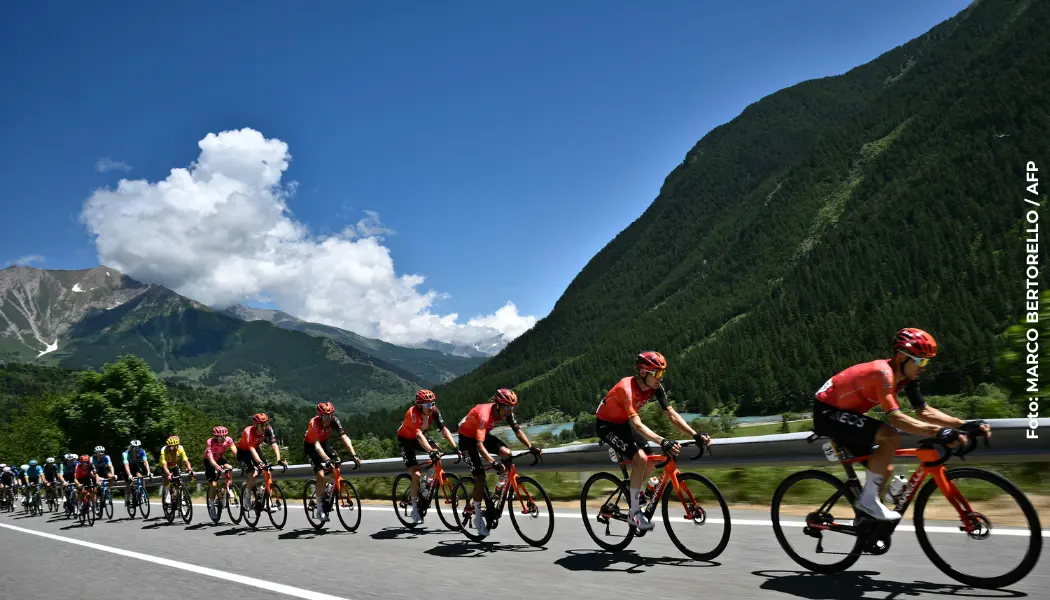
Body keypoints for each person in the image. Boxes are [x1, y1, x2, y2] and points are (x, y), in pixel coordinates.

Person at [812, 327, 992, 521]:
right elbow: (895, 418)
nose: (924, 367)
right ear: (901, 357)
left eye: (927, 361)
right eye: (920, 361)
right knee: (889, 435)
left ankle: (866, 521)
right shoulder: (883, 373)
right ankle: (868, 502)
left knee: (883, 468)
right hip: (827, 413)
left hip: (847, 414)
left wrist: (961, 425)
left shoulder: (908, 377)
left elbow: (923, 411)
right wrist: (940, 432)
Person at [594, 351, 711, 531]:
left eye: (662, 373)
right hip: (606, 426)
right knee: (640, 458)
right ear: (643, 372)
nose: (660, 378)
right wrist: (663, 440)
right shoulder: (626, 388)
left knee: (649, 455)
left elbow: (671, 415)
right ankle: (634, 512)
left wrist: (694, 434)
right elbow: (638, 425)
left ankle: (635, 492)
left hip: (623, 423)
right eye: (656, 373)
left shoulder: (655, 387)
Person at [457, 388, 542, 537]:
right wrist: (492, 461)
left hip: (481, 436)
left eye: (512, 408)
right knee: (480, 478)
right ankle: (477, 518)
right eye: (507, 408)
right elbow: (479, 445)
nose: (509, 411)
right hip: (467, 440)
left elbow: (517, 431)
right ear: (497, 405)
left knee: (507, 453)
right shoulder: (484, 415)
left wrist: (531, 447)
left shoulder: (507, 412)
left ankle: (500, 486)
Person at [395, 389, 460, 524]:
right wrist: (430, 450)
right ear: (419, 405)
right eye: (427, 405)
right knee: (416, 474)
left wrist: (455, 447)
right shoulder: (412, 413)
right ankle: (414, 507)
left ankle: (427, 482)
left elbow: (444, 429)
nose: (431, 407)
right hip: (406, 440)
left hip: (420, 437)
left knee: (438, 454)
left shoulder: (434, 411)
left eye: (432, 404)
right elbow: (418, 434)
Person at [304, 402, 361, 521]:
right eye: (325, 416)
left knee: (337, 467)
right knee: (320, 474)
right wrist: (327, 459)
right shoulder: (314, 423)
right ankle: (319, 507)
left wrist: (354, 454)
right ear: (320, 415)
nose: (328, 419)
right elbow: (316, 445)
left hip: (324, 443)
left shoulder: (334, 420)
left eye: (330, 416)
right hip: (311, 445)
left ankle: (328, 492)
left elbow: (344, 437)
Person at [236, 413, 286, 502]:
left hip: (255, 448)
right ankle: (246, 497)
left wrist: (278, 459)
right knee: (251, 475)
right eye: (261, 425)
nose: (264, 427)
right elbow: (251, 450)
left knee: (267, 472)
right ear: (255, 425)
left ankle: (267, 498)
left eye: (265, 424)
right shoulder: (248, 432)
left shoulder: (268, 429)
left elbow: (274, 444)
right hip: (243, 452)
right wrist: (260, 462)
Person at [159, 435, 194, 505]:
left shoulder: (180, 448)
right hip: (165, 467)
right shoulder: (164, 450)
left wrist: (190, 469)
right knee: (167, 477)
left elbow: (185, 460)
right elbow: (164, 464)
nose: (174, 448)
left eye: (175, 446)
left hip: (174, 466)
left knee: (178, 482)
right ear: (168, 446)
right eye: (172, 447)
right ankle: (167, 494)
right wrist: (168, 473)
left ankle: (179, 497)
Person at [204, 426, 236, 497]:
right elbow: (210, 458)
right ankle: (212, 505)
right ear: (215, 437)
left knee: (230, 467)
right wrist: (216, 467)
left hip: (219, 459)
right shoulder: (210, 442)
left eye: (224, 436)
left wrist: (237, 455)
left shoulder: (228, 440)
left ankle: (228, 486)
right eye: (220, 437)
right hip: (209, 461)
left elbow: (234, 449)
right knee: (213, 484)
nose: (223, 438)